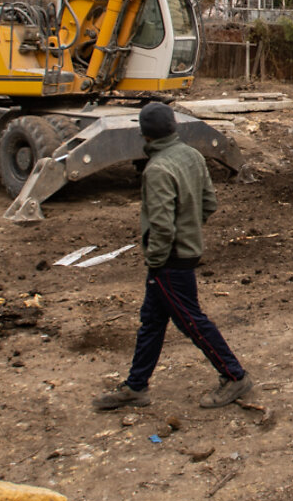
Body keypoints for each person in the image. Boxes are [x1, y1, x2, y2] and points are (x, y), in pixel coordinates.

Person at [93, 102, 252, 411]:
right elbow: (209, 203)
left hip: (169, 261)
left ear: (144, 134)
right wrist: (191, 229)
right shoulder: (192, 156)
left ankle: (235, 376)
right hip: (182, 253)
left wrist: (155, 260)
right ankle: (136, 385)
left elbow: (162, 227)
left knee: (192, 321)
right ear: (174, 127)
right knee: (151, 322)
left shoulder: (157, 170)